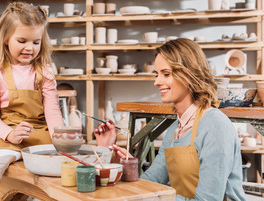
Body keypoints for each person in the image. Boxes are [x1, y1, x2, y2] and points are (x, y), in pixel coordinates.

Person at [95, 38, 246, 200]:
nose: (156, 82)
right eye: (157, 74)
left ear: (189, 74)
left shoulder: (216, 126)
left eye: (166, 74)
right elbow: (149, 183)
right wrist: (113, 154)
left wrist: (159, 197)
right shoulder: (176, 128)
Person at [0, 2, 64, 200]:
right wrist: (10, 134)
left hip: (40, 137)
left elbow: (53, 113)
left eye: (36, 42)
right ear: (5, 38)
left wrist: (62, 142)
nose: (29, 48)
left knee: (60, 180)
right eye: (22, 41)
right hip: (6, 137)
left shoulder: (44, 70)